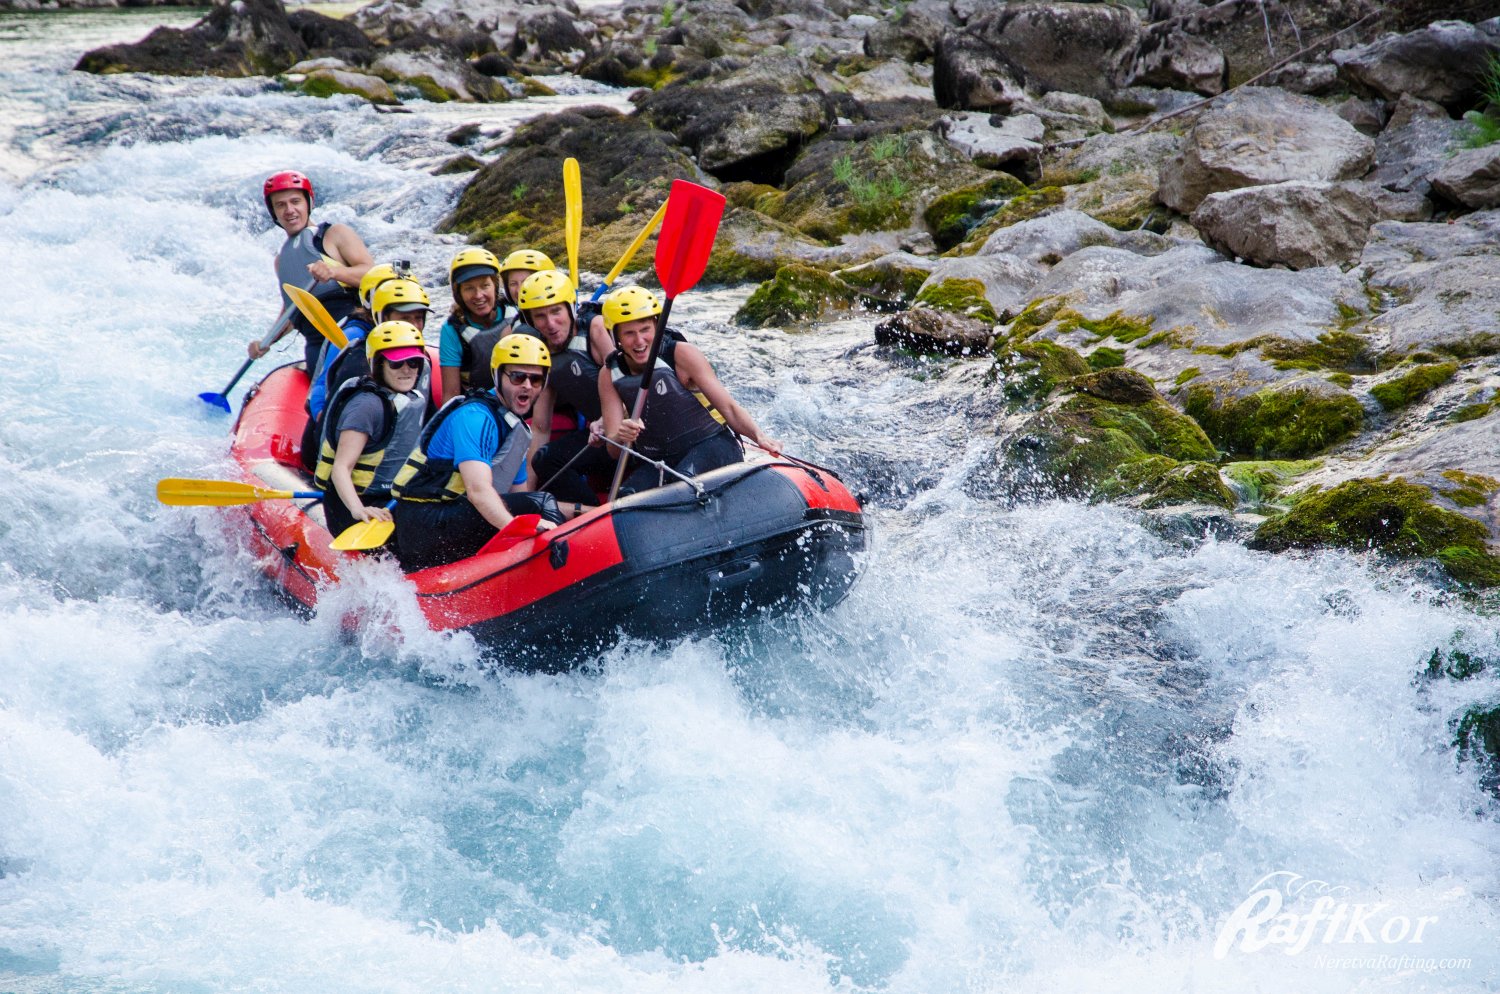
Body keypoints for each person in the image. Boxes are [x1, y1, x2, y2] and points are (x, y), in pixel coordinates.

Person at [389, 334, 564, 572]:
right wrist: (521, 530)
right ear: (498, 375)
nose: (527, 386)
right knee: (542, 502)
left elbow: (519, 496)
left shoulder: (516, 429)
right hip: (423, 525)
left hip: (450, 517)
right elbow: (478, 491)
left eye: (535, 380)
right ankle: (559, 564)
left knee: (533, 504)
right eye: (517, 376)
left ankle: (529, 566)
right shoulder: (475, 418)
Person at [598, 286, 783, 497]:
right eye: (629, 333)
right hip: (661, 459)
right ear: (616, 337)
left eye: (645, 330)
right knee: (626, 496)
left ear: (657, 326)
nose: (639, 341)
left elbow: (729, 409)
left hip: (712, 444)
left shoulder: (681, 354)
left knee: (681, 488)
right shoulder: (609, 374)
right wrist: (621, 435)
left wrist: (759, 436)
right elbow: (613, 450)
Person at [313, 321, 432, 541]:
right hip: (351, 506)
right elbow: (341, 468)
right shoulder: (367, 406)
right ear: (378, 364)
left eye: (414, 362)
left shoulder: (402, 400)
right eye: (397, 364)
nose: (407, 370)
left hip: (386, 498)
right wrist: (359, 510)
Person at [253, 171, 374, 372]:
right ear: (273, 212)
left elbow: (372, 273)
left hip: (352, 333)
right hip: (316, 346)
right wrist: (266, 341)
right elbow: (291, 311)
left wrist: (335, 272)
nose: (289, 210)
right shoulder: (281, 261)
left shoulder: (335, 234)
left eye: (295, 202)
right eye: (280, 205)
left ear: (308, 203)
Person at [519, 269, 616, 508]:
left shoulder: (595, 328)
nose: (550, 324)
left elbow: (627, 387)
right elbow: (541, 428)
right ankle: (591, 514)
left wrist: (606, 420)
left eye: (556, 311)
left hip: (631, 429)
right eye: (540, 316)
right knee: (545, 460)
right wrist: (527, 495)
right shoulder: (542, 353)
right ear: (530, 321)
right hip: (599, 437)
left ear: (570, 309)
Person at [437, 247, 551, 401]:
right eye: (469, 288)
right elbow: (451, 395)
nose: (478, 295)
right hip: (481, 404)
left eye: (485, 286)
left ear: (496, 286)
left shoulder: (519, 310)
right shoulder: (452, 330)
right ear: (459, 294)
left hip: (527, 398)